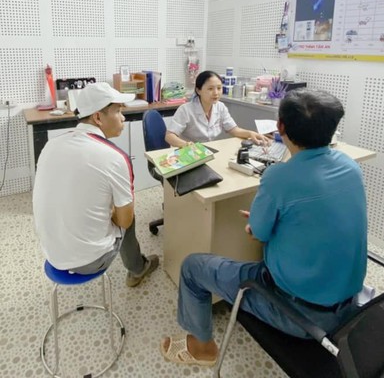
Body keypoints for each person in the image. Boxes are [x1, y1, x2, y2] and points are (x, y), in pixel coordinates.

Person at [160, 88, 367, 365]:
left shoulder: (279, 176)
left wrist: (259, 224)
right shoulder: (350, 167)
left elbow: (258, 232)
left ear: (280, 127)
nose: (216, 92)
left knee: (192, 266)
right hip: (352, 304)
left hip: (300, 315)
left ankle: (202, 349)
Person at [33, 82, 159, 287]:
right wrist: (113, 211)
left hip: (51, 254)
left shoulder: (51, 145)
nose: (123, 118)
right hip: (90, 262)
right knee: (128, 214)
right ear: (98, 117)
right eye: (118, 111)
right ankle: (138, 269)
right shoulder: (115, 157)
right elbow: (124, 221)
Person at [165, 70, 269, 148]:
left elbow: (233, 129)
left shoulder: (220, 107)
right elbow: (169, 136)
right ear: (198, 90)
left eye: (219, 88)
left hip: (208, 151)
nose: (216, 93)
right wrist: (186, 145)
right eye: (210, 89)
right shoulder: (185, 110)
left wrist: (251, 133)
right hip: (188, 153)